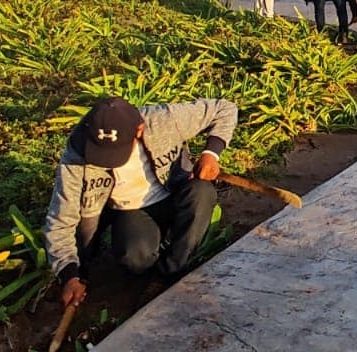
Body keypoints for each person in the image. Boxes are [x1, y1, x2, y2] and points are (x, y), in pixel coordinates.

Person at [45, 97, 239, 309]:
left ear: (139, 130)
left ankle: (172, 270)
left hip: (173, 194)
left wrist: (211, 155)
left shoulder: (162, 120)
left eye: (115, 152)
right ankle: (146, 270)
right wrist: (69, 274)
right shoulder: (77, 153)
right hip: (131, 210)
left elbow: (225, 108)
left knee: (201, 193)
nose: (106, 161)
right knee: (135, 256)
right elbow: (61, 219)